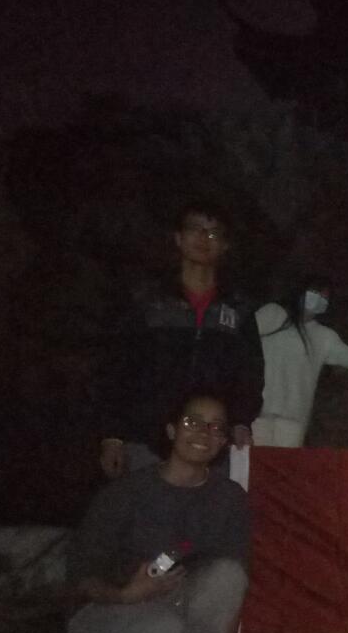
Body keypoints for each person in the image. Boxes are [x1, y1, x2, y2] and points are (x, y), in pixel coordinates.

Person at [67, 390, 250, 633]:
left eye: (216, 427)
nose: (203, 433)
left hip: (173, 599)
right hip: (106, 609)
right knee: (161, 631)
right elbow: (82, 575)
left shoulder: (228, 498)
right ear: (171, 430)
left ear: (224, 440)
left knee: (229, 574)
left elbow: (230, 589)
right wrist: (125, 594)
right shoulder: (125, 493)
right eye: (192, 422)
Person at [98, 200, 263, 478]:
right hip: (146, 436)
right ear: (178, 238)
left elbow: (250, 372)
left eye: (214, 232)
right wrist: (112, 435)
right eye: (195, 229)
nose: (204, 238)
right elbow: (117, 368)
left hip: (210, 440)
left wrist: (240, 420)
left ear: (225, 245)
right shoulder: (147, 301)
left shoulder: (237, 309)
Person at [253, 276, 348, 447]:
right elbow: (245, 335)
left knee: (285, 462)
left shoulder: (324, 336)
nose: (320, 300)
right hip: (257, 412)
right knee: (251, 461)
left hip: (294, 419)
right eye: (316, 293)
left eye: (325, 298)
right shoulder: (274, 313)